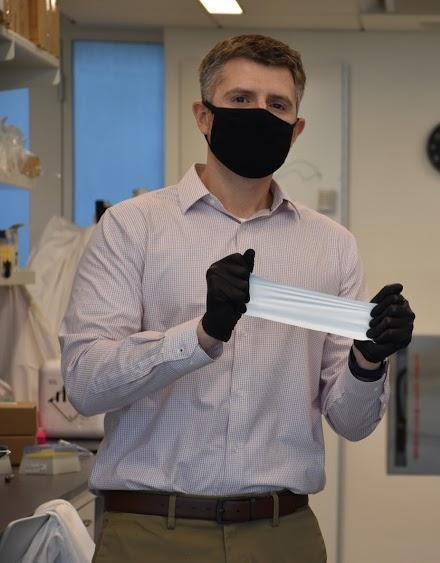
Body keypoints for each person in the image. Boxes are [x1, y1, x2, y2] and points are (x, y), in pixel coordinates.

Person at [60, 34, 414, 563]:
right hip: (150, 531)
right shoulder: (133, 228)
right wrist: (201, 335)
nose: (259, 114)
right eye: (241, 100)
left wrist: (369, 358)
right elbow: (86, 384)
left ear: (296, 130)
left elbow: (353, 423)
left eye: (277, 106)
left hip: (281, 533)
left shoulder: (332, 245)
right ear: (204, 116)